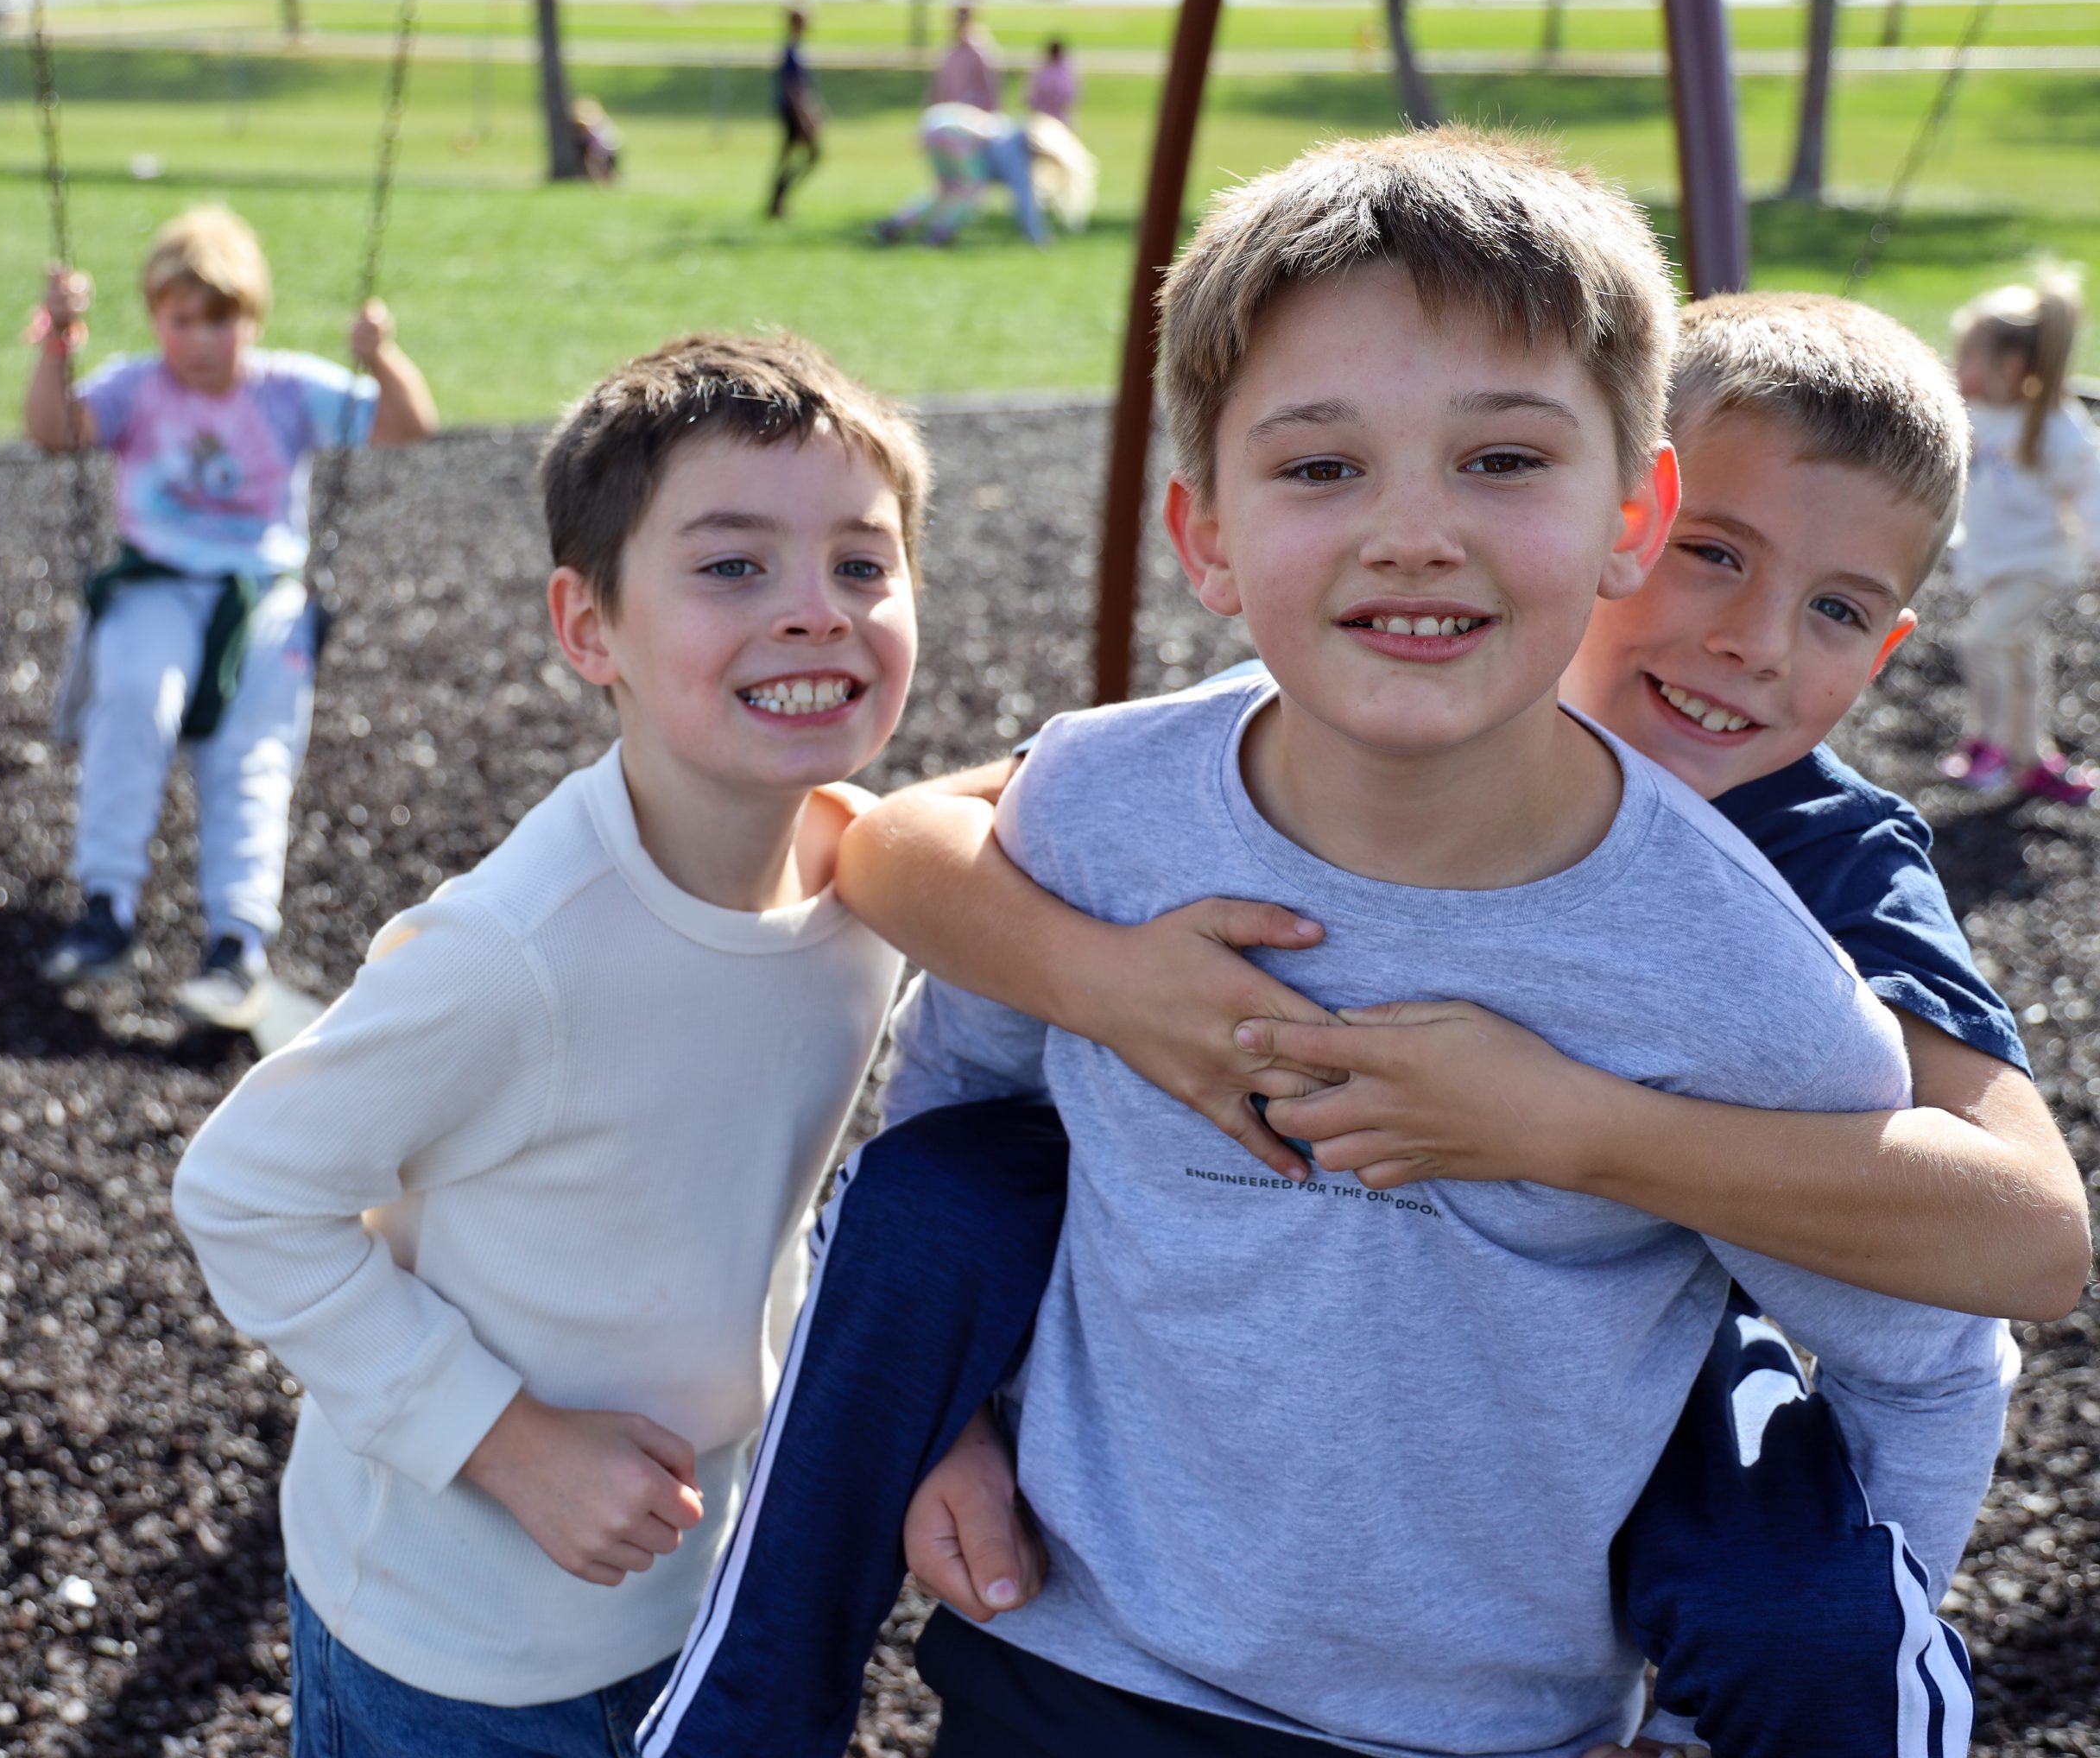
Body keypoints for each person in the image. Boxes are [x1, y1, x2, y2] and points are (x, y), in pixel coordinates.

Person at [638, 143, 2032, 1758]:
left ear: (1623, 513)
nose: (1416, 533)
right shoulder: (1112, 800)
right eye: (1322, 469)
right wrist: (952, 1398)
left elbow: (1952, 1329)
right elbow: (943, 1071)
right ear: (1206, 531)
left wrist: (1568, 1127)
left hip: (1482, 1710)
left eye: (1502, 460)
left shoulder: (1769, 955)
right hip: (1077, 1660)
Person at [170, 332, 928, 1758]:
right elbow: (243, 1190)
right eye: (731, 566)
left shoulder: (869, 889)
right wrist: (508, 1439)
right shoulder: (516, 953)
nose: (816, 611)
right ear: (589, 629)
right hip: (455, 1633)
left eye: (863, 563)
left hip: (703, 1576)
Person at [25, 205, 437, 1028]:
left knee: (252, 760)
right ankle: (106, 906)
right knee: (136, 699)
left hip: (261, 599)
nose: (202, 340)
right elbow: (54, 434)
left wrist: (380, 359)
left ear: (251, 320)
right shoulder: (136, 387)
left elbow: (407, 427)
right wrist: (57, 346)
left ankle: (236, 943)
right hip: (154, 583)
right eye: (182, 320)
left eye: (221, 320)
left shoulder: (286, 389)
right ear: (156, 319)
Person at [1938, 273, 2100, 804]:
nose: (1956, 369)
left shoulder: (2057, 427)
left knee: (1982, 640)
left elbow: (2091, 496)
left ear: (2008, 366)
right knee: (2021, 655)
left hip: (2039, 562)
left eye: (1968, 358)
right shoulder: (1979, 414)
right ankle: (2033, 758)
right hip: (1992, 558)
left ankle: (1989, 744)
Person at [876, 104, 1095, 249]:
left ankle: (897, 225)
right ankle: (940, 233)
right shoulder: (1015, 152)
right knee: (972, 191)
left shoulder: (1006, 129)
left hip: (935, 127)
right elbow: (1024, 200)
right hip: (954, 136)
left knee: (945, 192)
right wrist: (1039, 239)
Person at [769, 6, 821, 218]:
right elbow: (793, 88)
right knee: (812, 155)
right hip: (793, 113)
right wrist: (804, 115)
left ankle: (777, 202)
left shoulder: (796, 50)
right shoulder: (791, 52)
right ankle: (778, 200)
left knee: (788, 157)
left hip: (795, 111)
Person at [927, 3, 1000, 112]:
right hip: (949, 112)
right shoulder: (949, 52)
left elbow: (989, 91)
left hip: (973, 112)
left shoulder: (978, 53)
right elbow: (940, 90)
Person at [1026, 37, 1077, 126]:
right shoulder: (1066, 70)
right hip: (1050, 117)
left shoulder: (1041, 69)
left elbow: (1031, 96)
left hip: (1046, 117)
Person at [573, 95, 622, 184]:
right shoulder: (603, 121)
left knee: (595, 165)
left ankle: (599, 182)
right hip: (606, 149)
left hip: (601, 149)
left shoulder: (592, 123)